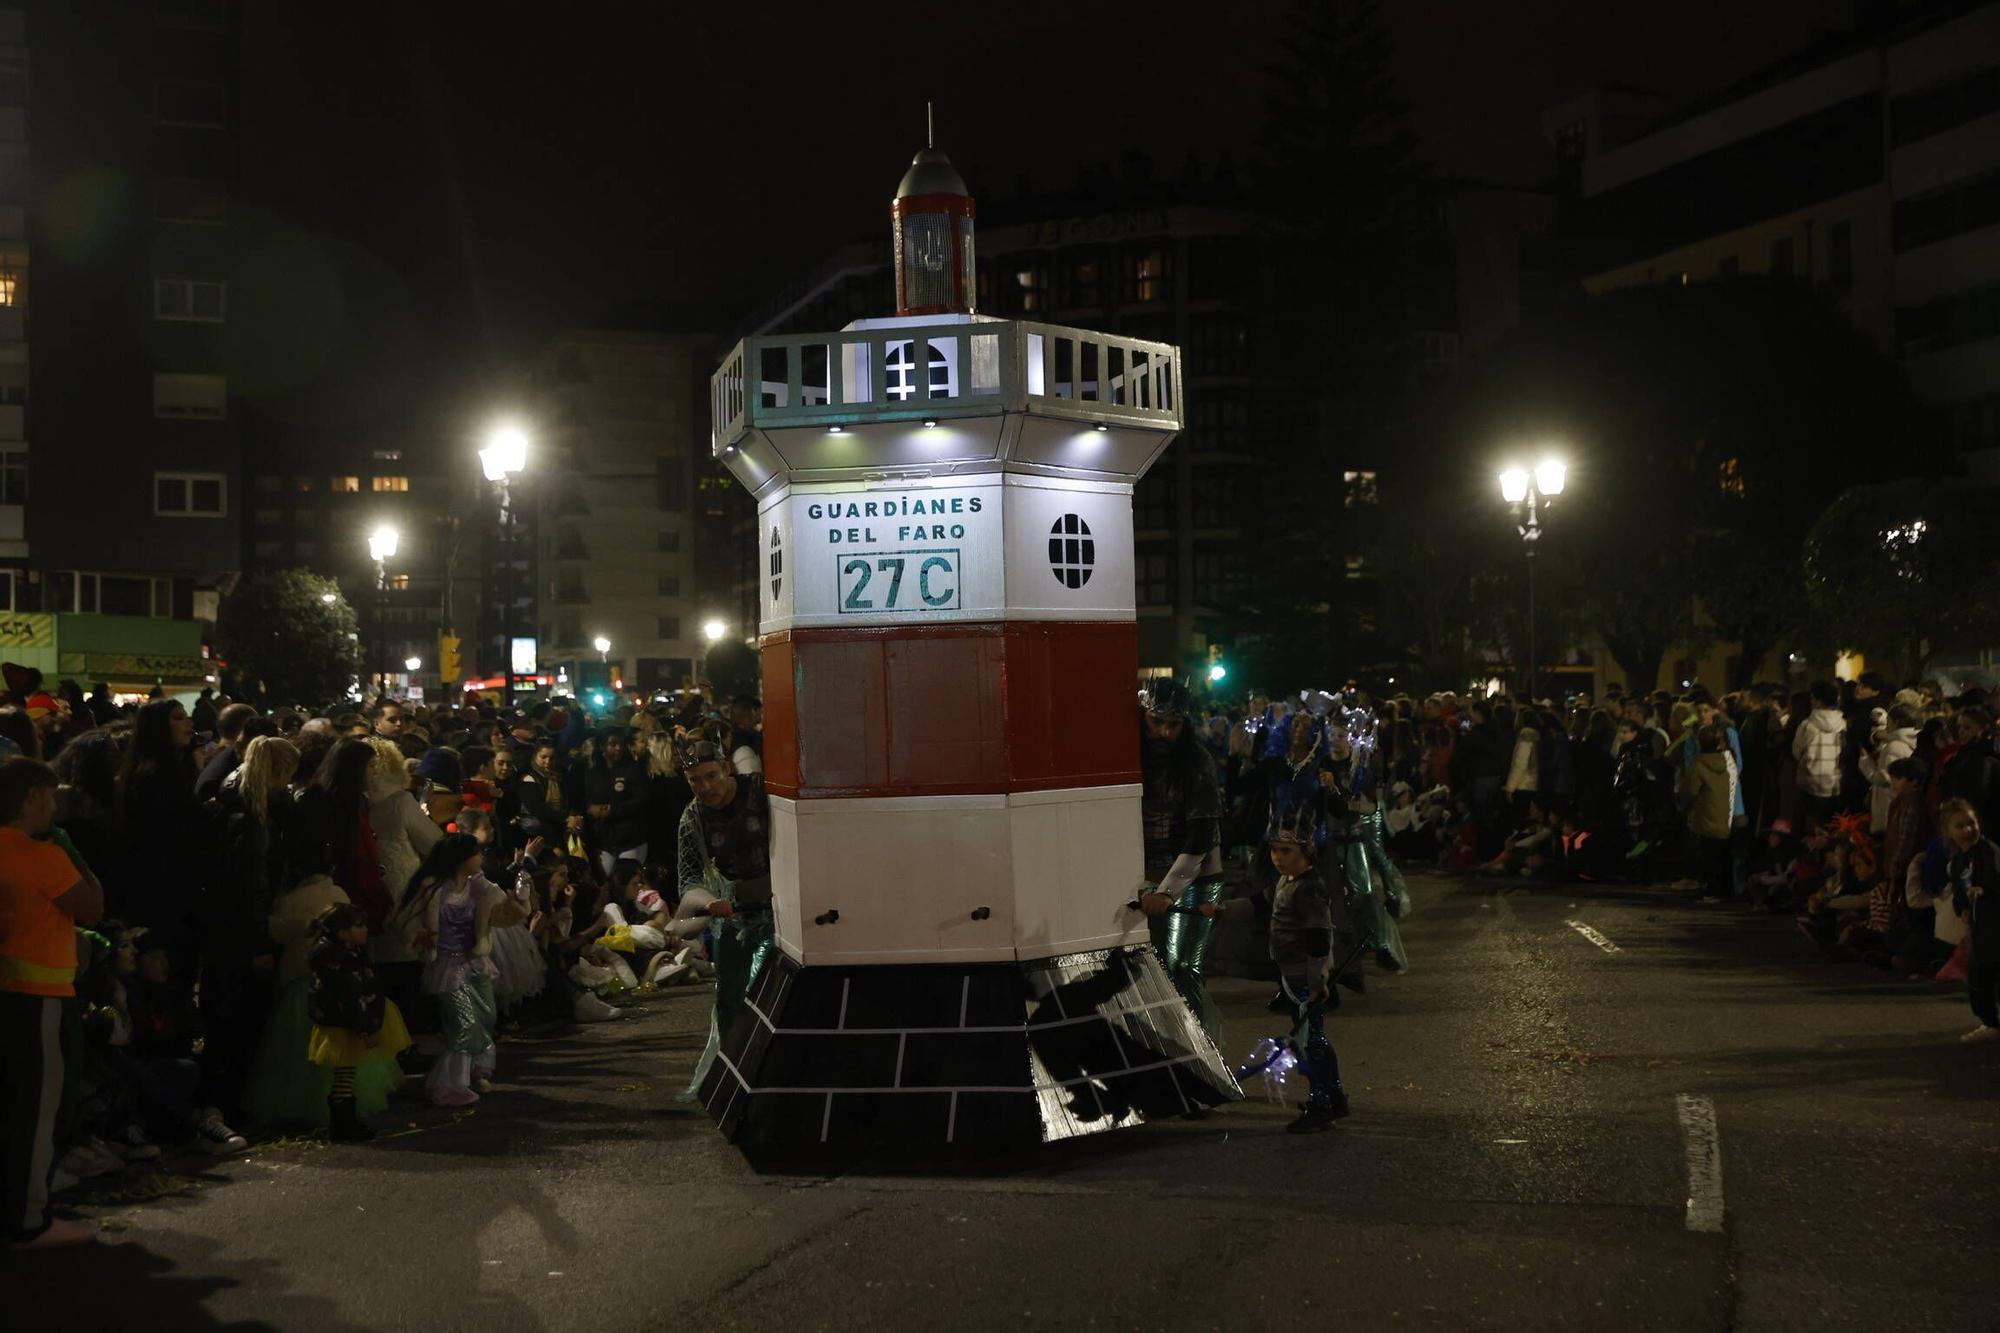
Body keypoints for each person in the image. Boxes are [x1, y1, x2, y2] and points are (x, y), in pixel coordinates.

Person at [0, 755, 103, 1249]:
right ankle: (28, 1218)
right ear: (32, 798)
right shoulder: (41, 854)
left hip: (8, 991)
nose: (56, 803)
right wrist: (73, 853)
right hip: (40, 994)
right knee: (37, 1110)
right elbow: (91, 906)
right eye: (50, 793)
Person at [675, 740, 774, 1096]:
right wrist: (710, 901)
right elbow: (687, 879)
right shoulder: (693, 816)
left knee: (769, 990)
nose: (706, 788)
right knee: (729, 997)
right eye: (695, 781)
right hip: (732, 912)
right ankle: (734, 1073)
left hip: (779, 907)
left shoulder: (762, 793)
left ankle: (771, 1069)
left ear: (727, 769)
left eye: (711, 776)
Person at [1134, 679, 1227, 1039]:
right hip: (1146, 873)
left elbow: (1201, 835)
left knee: (1183, 966)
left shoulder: (1197, 762)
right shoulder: (1129, 753)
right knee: (1151, 969)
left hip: (1198, 875)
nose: (1164, 732)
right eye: (1156, 722)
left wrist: (1169, 891)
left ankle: (1200, 1055)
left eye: (1174, 725)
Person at [403, 833, 502, 1106]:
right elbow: (409, 921)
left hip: (474, 960)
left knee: (486, 1016)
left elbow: (501, 906)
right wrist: (423, 940)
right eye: (476, 853)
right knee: (463, 1024)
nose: (481, 858)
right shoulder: (434, 888)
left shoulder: (479, 886)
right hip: (446, 964)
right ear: (461, 859)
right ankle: (448, 1086)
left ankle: (474, 1071)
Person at [306, 902, 412, 1141]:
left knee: (348, 1072)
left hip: (350, 1021)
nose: (365, 930)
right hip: (346, 1024)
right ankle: (342, 1124)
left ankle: (346, 1122)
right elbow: (350, 995)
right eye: (358, 926)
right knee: (345, 1073)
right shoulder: (336, 959)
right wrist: (366, 1028)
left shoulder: (349, 953)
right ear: (342, 932)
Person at [1941, 799, 2000, 1044]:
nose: (1968, 829)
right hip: (1979, 930)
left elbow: (1994, 877)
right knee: (1978, 978)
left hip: (1995, 922)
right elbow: (1958, 892)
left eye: (1971, 823)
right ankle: (1990, 1022)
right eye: (1960, 825)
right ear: (1949, 832)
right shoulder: (1957, 862)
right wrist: (1962, 908)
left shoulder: (1989, 850)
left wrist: (1983, 889)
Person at [1680, 724, 1737, 903]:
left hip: (1706, 814)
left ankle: (1711, 890)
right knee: (1723, 855)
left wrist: (1685, 805)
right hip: (1728, 813)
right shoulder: (1728, 760)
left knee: (1709, 854)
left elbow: (1690, 791)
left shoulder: (1698, 764)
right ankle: (1725, 890)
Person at [583, 727, 649, 877]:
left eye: (620, 744)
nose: (618, 748)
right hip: (605, 841)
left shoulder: (634, 770)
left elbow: (641, 800)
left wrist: (614, 810)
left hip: (631, 839)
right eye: (612, 744)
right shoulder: (593, 773)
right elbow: (587, 798)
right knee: (607, 883)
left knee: (628, 882)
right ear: (602, 747)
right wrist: (590, 809)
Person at [1792, 682, 1846, 832]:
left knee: (1812, 829)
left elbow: (1797, 752)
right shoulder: (1842, 724)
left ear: (1818, 700)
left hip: (1811, 784)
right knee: (1832, 829)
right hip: (1836, 783)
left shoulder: (1807, 725)